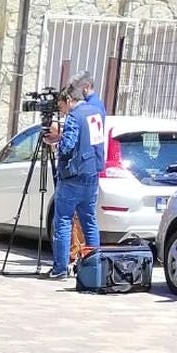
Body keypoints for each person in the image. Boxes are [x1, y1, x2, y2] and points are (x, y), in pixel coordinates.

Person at [44, 84, 104, 279]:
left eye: (62, 106)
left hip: (73, 178)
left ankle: (60, 269)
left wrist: (54, 143)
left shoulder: (74, 116)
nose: (62, 110)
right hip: (92, 176)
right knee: (90, 222)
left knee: (62, 221)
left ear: (69, 100)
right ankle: (94, 267)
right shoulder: (95, 112)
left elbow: (68, 145)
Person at [66, 71, 106, 263]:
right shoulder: (96, 107)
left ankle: (77, 257)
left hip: (83, 168)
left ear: (85, 87)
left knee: (75, 219)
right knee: (88, 220)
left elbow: (85, 140)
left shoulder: (91, 108)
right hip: (91, 167)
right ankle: (92, 263)